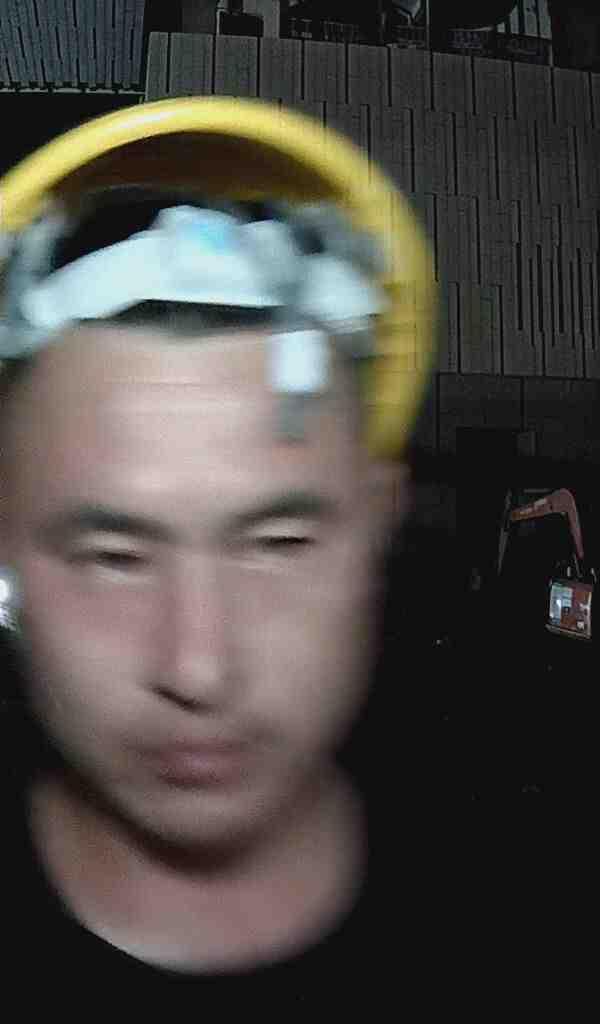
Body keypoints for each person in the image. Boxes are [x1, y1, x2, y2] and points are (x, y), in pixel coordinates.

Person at [0, 96, 445, 1002]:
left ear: (379, 522)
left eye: (277, 544)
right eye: (113, 556)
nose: (198, 670)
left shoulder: (546, 915)